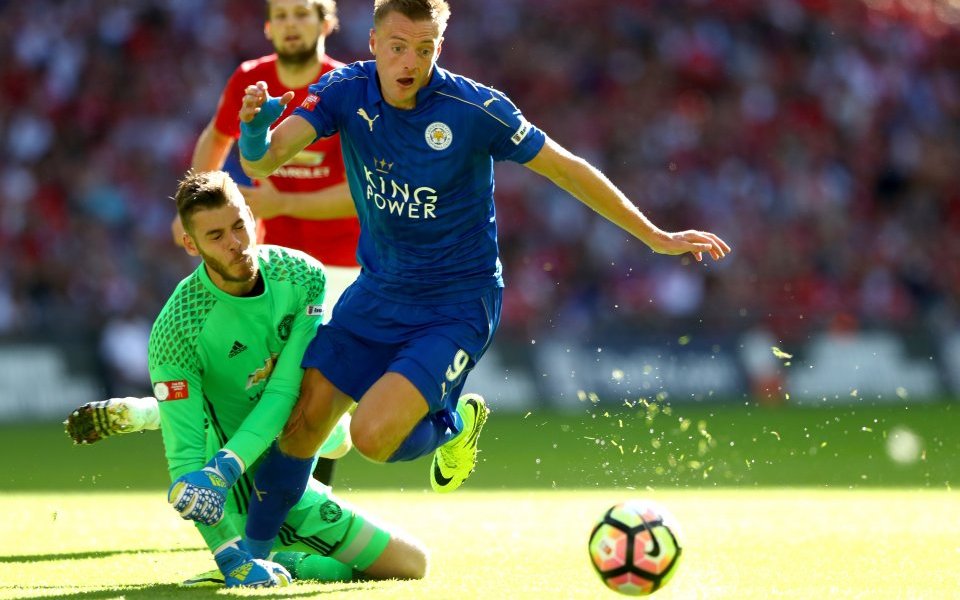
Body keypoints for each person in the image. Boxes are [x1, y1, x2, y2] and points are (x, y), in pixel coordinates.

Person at [235, 0, 730, 558]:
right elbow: (265, 161)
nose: (409, 63)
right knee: (301, 423)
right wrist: (254, 130)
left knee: (370, 439)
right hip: (378, 292)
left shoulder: (473, 109)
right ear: (373, 43)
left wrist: (654, 236)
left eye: (424, 49)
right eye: (397, 47)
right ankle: (251, 558)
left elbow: (566, 167)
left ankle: (449, 424)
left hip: (455, 304)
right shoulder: (346, 91)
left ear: (438, 49)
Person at [78, 170, 427, 587]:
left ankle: (285, 557)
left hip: (287, 457)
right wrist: (229, 557)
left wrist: (224, 465)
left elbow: (282, 392)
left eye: (240, 226)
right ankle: (256, 545)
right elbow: (187, 466)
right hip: (245, 487)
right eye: (216, 236)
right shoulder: (177, 329)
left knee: (408, 555)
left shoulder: (302, 276)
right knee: (400, 556)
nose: (235, 244)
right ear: (190, 244)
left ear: (253, 217)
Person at [161, 0, 364, 486]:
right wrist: (193, 205)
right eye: (284, 15)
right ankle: (286, 501)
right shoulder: (250, 78)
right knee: (267, 380)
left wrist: (283, 205)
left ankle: (309, 500)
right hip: (268, 267)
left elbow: (363, 192)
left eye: (304, 14)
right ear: (269, 27)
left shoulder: (345, 87)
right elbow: (217, 136)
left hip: (339, 266)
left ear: (326, 23)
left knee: (316, 384)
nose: (293, 24)